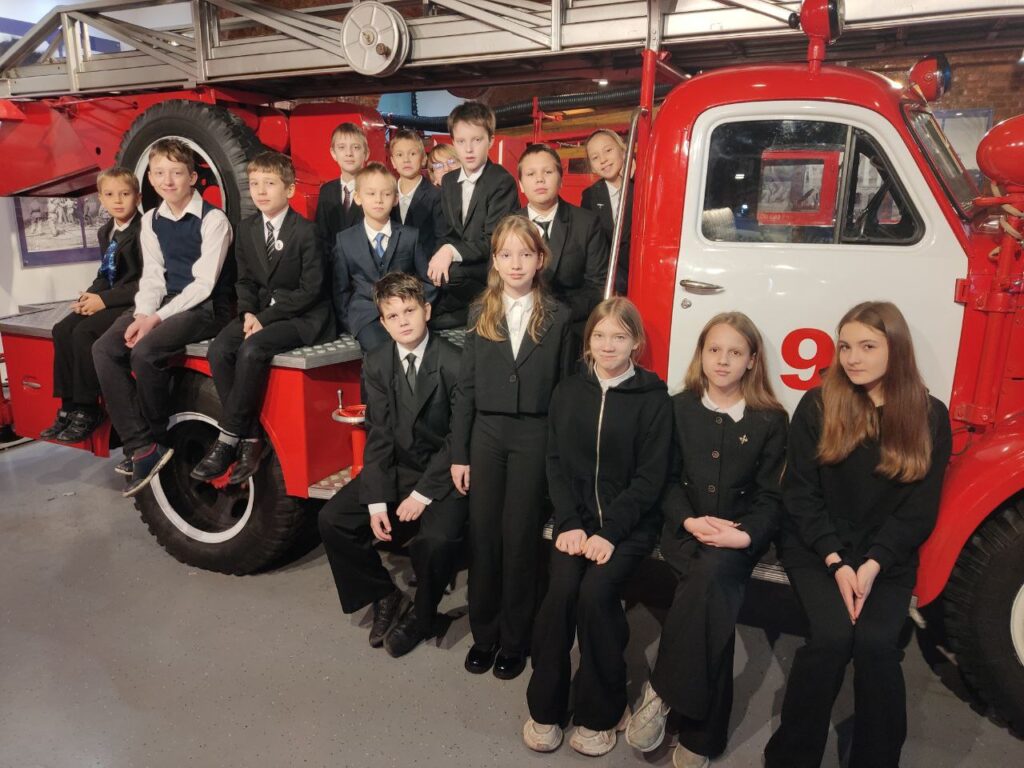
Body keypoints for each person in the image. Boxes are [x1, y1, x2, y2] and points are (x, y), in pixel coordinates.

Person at [763, 301, 952, 768]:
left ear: (896, 349)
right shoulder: (818, 403)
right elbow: (801, 496)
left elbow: (919, 510)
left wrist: (871, 564)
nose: (852, 358)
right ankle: (790, 758)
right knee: (830, 639)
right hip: (816, 547)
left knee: (876, 646)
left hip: (885, 556)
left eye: (867, 346)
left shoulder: (929, 415)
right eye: (845, 346)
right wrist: (835, 561)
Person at [625, 312, 788, 768]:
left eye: (735, 352)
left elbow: (772, 496)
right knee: (712, 600)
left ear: (752, 360)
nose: (723, 360)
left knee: (712, 578)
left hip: (736, 540)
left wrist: (746, 534)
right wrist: (690, 520)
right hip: (685, 532)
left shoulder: (771, 420)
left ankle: (662, 691)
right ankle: (704, 735)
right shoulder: (678, 407)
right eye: (714, 349)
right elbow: (664, 480)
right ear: (701, 354)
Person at [523, 297, 672, 757]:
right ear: (588, 341)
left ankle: (603, 710)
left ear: (636, 343)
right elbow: (555, 463)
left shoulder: (654, 399)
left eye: (619, 337)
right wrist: (568, 521)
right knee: (560, 593)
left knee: (596, 594)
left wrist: (611, 534)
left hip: (629, 527)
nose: (608, 345)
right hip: (576, 522)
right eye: (600, 335)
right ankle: (545, 705)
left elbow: (650, 479)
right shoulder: (568, 392)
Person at [318, 272, 467, 658]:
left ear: (427, 311)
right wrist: (376, 501)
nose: (403, 321)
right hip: (398, 467)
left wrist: (423, 494)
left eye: (409, 311)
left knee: (436, 541)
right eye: (393, 315)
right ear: (382, 323)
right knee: (333, 519)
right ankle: (383, 594)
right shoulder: (377, 361)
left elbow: (459, 438)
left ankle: (423, 614)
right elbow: (380, 434)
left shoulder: (454, 362)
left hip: (441, 473)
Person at [451, 214, 573, 681]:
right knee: (483, 536)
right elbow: (466, 388)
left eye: (525, 253)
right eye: (506, 254)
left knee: (520, 538)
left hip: (533, 435)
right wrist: (460, 453)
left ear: (541, 259)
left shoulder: (559, 317)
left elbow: (563, 392)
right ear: (495, 261)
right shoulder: (479, 311)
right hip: (486, 434)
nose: (516, 263)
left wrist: (556, 456)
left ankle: (516, 639)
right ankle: (485, 633)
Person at [93, 139, 233, 497]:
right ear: (151, 179)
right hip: (165, 302)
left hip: (205, 308)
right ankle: (142, 446)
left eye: (176, 173)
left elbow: (203, 285)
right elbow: (154, 277)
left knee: (145, 352)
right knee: (104, 349)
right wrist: (142, 314)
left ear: (192, 178)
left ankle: (156, 434)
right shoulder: (152, 220)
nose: (167, 181)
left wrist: (154, 320)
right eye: (159, 173)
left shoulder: (214, 220)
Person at [190, 151, 333, 485]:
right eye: (255, 184)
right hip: (259, 312)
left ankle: (227, 439)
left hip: (302, 315)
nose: (261, 191)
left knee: (252, 349)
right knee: (219, 349)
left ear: (290, 190)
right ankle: (251, 437)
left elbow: (311, 290)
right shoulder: (247, 228)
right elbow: (244, 281)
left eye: (270, 183)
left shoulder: (306, 232)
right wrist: (247, 313)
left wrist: (264, 319)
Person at [41, 167, 143, 450]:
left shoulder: (144, 230)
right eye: (110, 195)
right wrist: (90, 295)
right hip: (109, 296)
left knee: (84, 332)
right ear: (100, 198)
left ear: (138, 196)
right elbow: (105, 274)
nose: (117, 200)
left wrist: (104, 301)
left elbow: (147, 282)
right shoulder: (105, 231)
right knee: (62, 329)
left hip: (133, 301)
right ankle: (68, 406)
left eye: (125, 194)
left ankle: (88, 408)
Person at [429, 102, 519, 328]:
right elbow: (447, 232)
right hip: (462, 268)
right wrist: (441, 253)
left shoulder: (501, 181)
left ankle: (484, 307)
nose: (468, 149)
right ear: (453, 143)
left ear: (491, 140)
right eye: (461, 141)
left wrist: (450, 251)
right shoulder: (449, 181)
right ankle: (465, 308)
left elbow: (494, 241)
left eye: (477, 140)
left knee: (452, 274)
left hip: (489, 266)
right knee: (429, 291)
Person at [331, 162, 431, 352]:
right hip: (366, 316)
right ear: (358, 197)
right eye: (371, 193)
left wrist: (415, 310)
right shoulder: (345, 240)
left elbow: (428, 281)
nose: (379, 200)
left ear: (395, 199)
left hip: (405, 314)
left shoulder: (410, 236)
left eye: (386, 194)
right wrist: (351, 323)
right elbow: (340, 289)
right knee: (381, 351)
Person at [515, 144, 608, 332]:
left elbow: (598, 287)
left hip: (570, 325)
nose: (540, 179)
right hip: (518, 323)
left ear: (561, 180)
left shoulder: (587, 223)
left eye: (548, 172)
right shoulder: (508, 225)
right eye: (531, 174)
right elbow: (497, 279)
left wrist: (556, 312)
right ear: (521, 185)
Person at [580, 129, 632, 295]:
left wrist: (637, 175)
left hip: (645, 272)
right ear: (592, 166)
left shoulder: (644, 184)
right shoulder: (590, 196)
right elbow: (592, 246)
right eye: (595, 157)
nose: (603, 160)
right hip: (613, 281)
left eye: (608, 150)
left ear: (623, 151)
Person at [389, 128, 447, 258]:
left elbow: (441, 240)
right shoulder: (387, 194)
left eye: (412, 154)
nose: (406, 159)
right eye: (399, 155)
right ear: (393, 162)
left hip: (425, 266)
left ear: (423, 159)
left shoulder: (436, 196)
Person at [314, 122, 368, 258]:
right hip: (333, 265)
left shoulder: (374, 190)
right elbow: (321, 236)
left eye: (356, 147)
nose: (349, 153)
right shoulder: (326, 191)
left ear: (366, 153)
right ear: (333, 153)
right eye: (342, 147)